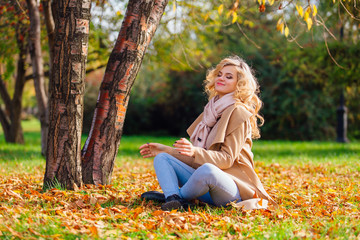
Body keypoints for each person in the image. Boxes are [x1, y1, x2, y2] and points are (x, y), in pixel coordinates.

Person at [139, 56, 276, 211]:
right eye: (220, 74)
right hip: (205, 184)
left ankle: (173, 197)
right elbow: (197, 158)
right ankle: (175, 199)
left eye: (228, 76)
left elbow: (227, 159)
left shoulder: (239, 112)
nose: (221, 78)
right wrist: (166, 150)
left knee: (207, 170)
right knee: (162, 158)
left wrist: (194, 151)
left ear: (240, 84)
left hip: (231, 188)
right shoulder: (211, 110)